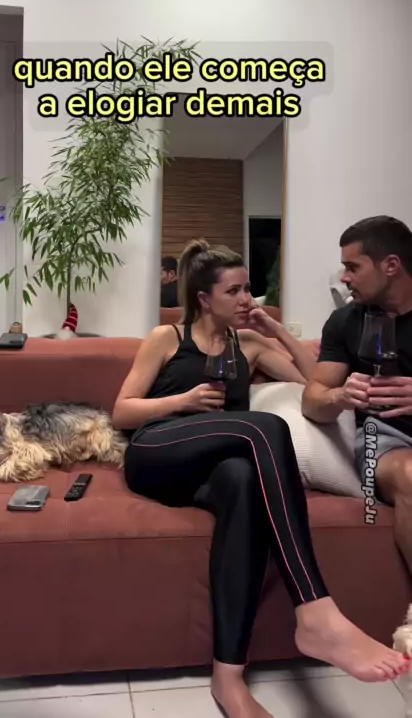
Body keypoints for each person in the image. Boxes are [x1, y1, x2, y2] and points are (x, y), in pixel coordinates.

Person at [113, 239, 408, 718]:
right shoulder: (167, 338)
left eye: (248, 288)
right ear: (205, 299)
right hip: (157, 452)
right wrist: (181, 401)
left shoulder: (248, 345)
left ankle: (228, 677)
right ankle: (315, 609)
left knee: (244, 481)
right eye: (233, 291)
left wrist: (275, 330)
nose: (246, 298)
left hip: (209, 472)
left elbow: (319, 384)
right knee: (264, 426)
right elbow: (122, 411)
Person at [302, 216, 412, 573]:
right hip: (388, 439)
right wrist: (340, 396)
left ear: (391, 265)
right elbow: (312, 399)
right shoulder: (345, 321)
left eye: (353, 267)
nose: (345, 278)